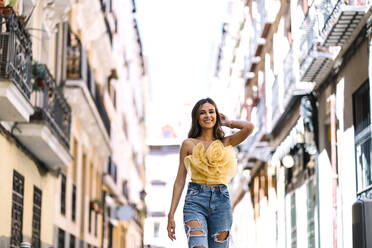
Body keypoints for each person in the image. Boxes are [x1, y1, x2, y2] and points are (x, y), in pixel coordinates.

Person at [167, 98, 254, 248]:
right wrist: (171, 214)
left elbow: (249, 127)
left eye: (211, 112)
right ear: (196, 118)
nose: (207, 115)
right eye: (202, 113)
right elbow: (180, 180)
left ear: (216, 116)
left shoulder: (225, 142)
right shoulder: (188, 144)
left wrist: (228, 123)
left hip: (221, 201)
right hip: (195, 201)